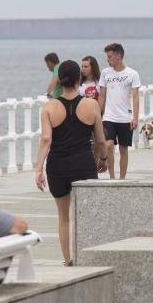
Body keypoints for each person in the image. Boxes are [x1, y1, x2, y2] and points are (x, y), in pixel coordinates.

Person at [36, 60, 106, 265]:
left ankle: (68, 260)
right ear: (78, 79)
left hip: (57, 166)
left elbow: (46, 140)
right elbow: (101, 139)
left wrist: (38, 169)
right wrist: (103, 158)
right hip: (83, 164)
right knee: (86, 215)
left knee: (63, 216)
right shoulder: (91, 105)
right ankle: (86, 256)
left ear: (60, 80)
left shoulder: (49, 108)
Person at [98, 43, 140, 179]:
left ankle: (122, 179)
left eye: (109, 57)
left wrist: (135, 118)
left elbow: (135, 97)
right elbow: (102, 95)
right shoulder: (105, 73)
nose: (107, 59)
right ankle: (112, 177)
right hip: (109, 116)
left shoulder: (132, 74)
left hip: (125, 117)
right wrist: (98, 115)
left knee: (123, 149)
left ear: (118, 56)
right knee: (108, 145)